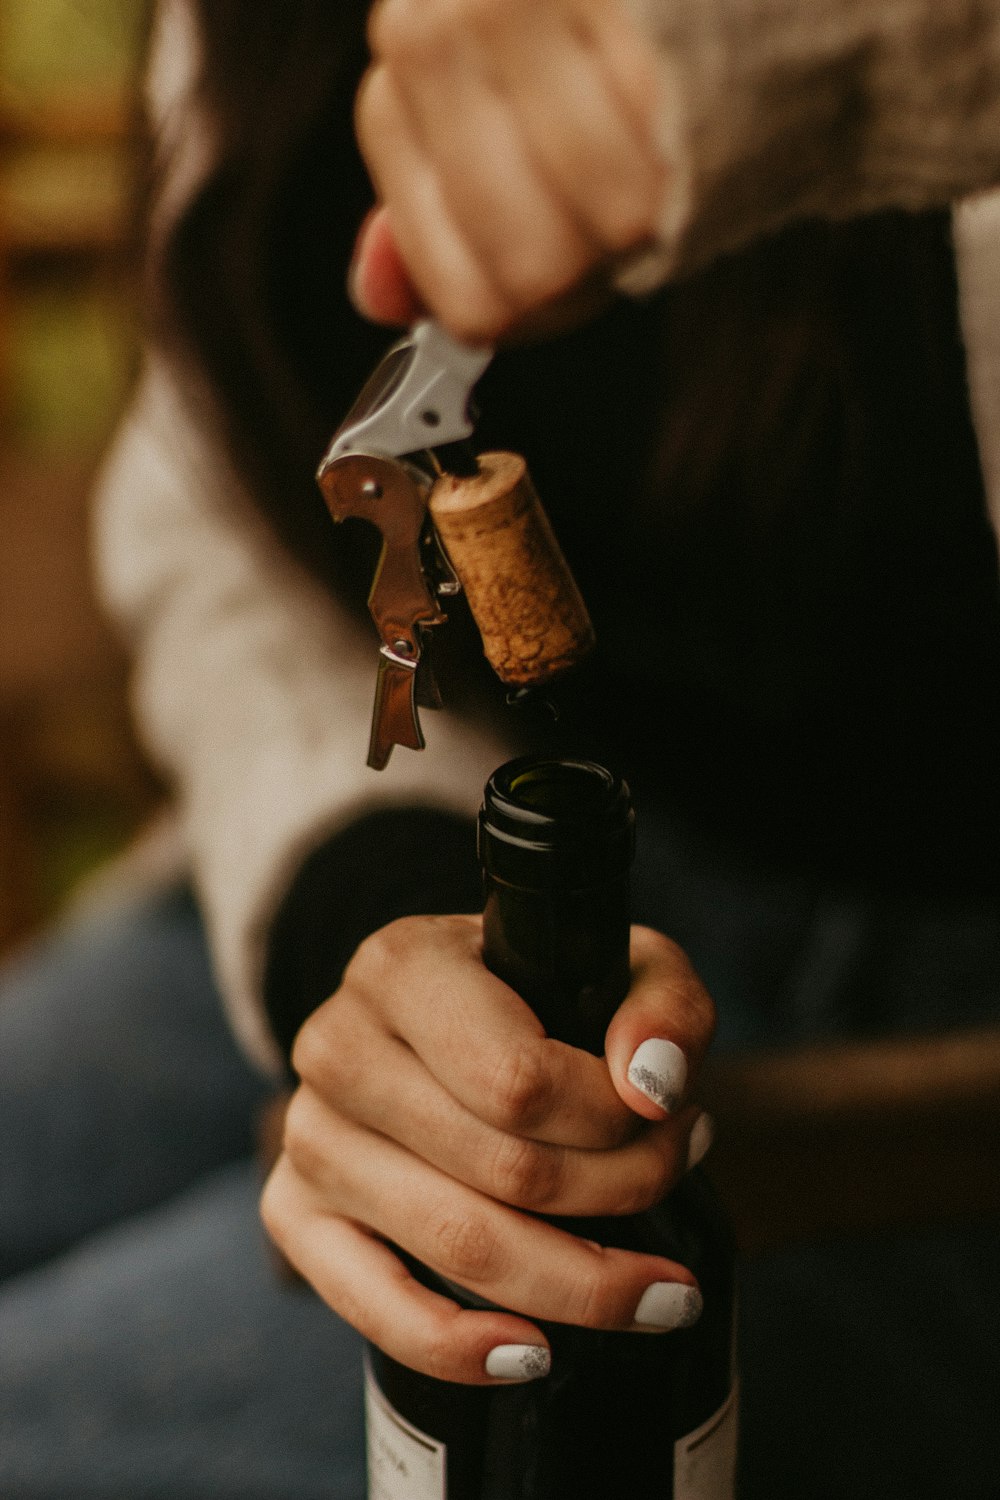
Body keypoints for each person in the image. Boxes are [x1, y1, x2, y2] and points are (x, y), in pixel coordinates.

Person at [1, 1, 1000, 1495]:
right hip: (427, 855)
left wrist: (837, 62)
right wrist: (368, 917)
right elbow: (217, 501)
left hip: (934, 1037)